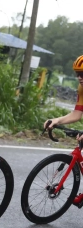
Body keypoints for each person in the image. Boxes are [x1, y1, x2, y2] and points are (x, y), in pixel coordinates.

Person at [44, 54, 83, 207]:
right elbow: (77, 114)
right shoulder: (82, 87)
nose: (80, 77)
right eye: (77, 74)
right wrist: (57, 120)